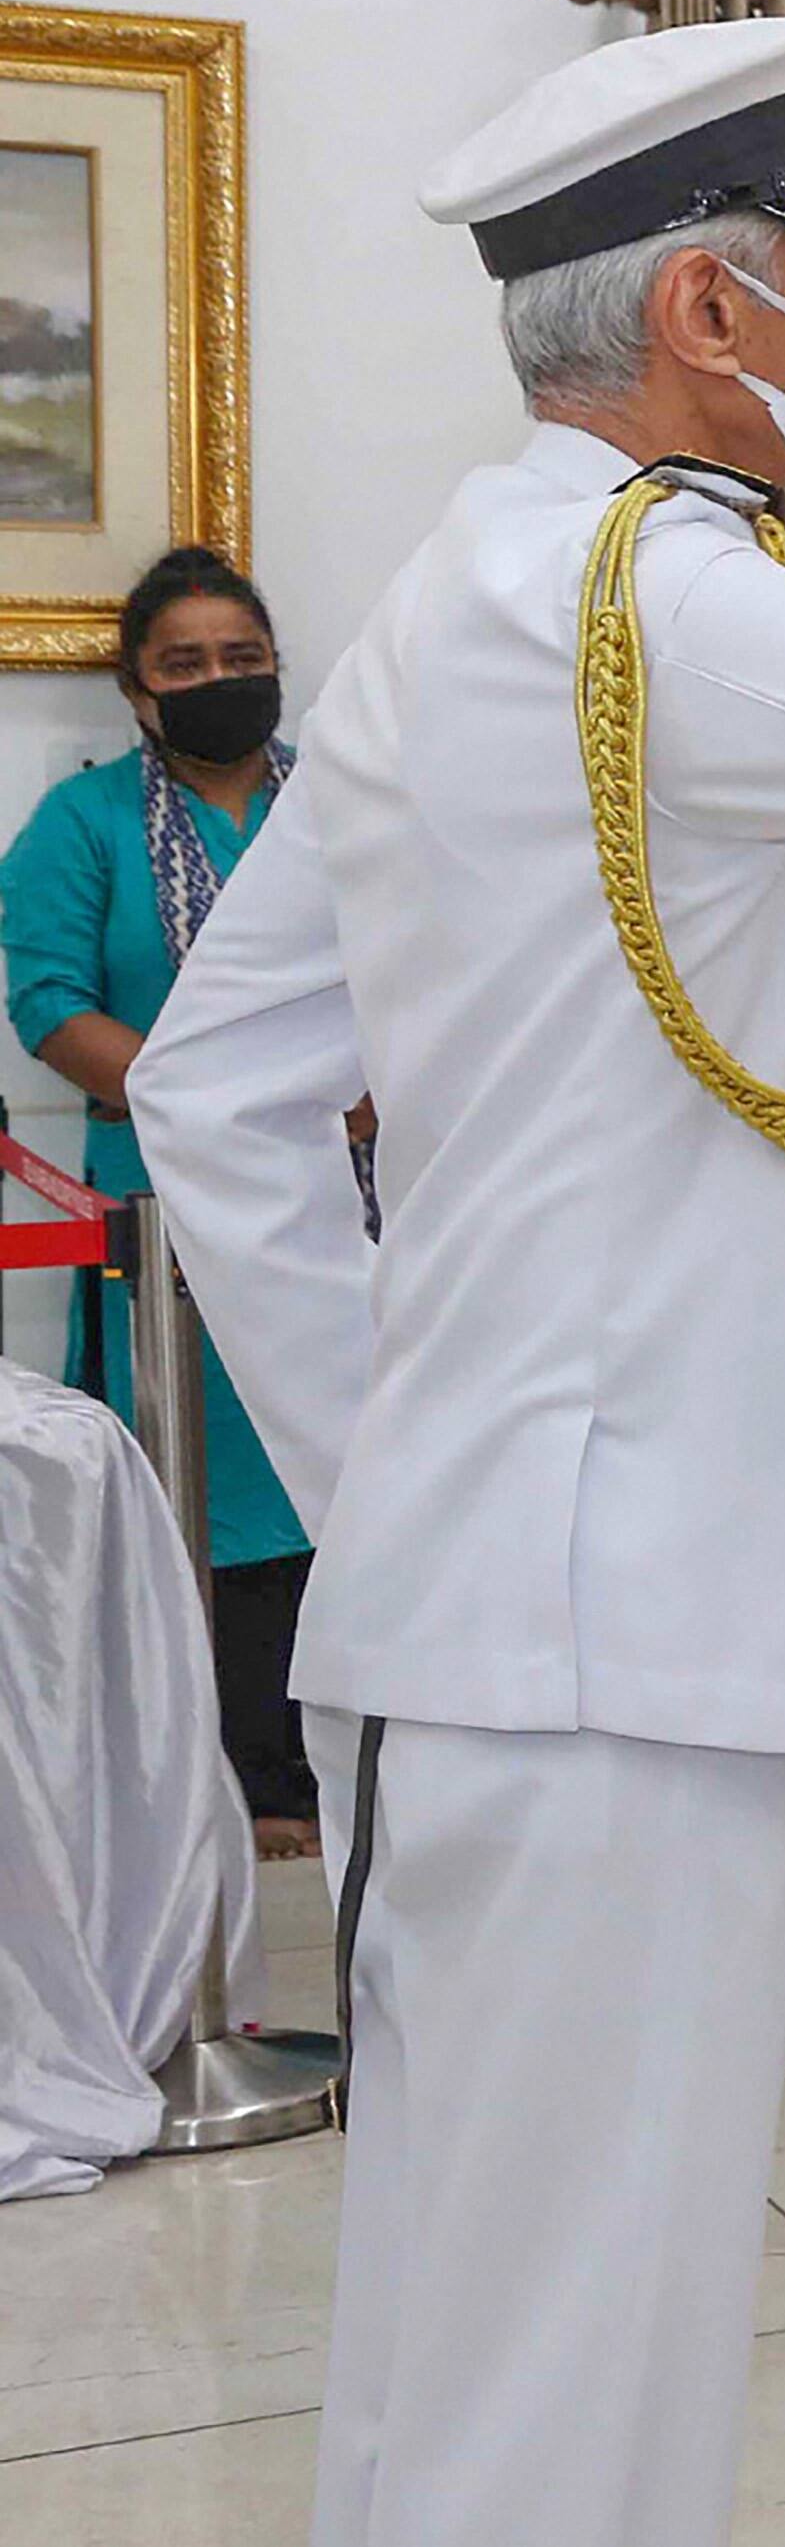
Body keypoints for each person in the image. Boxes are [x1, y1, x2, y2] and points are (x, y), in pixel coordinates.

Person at [131, 11, 785, 2547]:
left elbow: (212, 1085)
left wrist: (413, 1457)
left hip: (520, 1602)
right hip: (622, 1629)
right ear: (713, 318)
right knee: (569, 2355)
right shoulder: (640, 598)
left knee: (481, 2316)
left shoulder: (469, 592)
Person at [6, 544, 328, 1850]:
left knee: (348, 1467)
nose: (217, 681)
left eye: (241, 659)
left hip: (352, 1188)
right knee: (201, 1482)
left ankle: (341, 1749)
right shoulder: (83, 824)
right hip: (161, 1204)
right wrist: (210, 1110)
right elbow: (50, 1006)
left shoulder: (339, 806)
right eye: (184, 664)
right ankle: (229, 1774)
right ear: (139, 694)